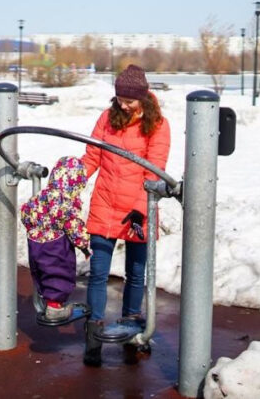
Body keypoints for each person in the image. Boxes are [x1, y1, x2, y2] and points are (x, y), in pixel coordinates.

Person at [81, 64, 171, 367]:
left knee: (135, 273)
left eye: (129, 101)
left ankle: (132, 328)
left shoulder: (158, 125)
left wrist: (142, 210)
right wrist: (72, 181)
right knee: (98, 272)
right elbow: (93, 156)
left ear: (143, 98)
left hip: (137, 208)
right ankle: (93, 336)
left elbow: (154, 169)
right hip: (105, 203)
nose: (123, 104)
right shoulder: (107, 118)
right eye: (119, 99)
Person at [20, 156, 91, 321]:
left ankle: (49, 302)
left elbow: (25, 212)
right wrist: (83, 245)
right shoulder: (67, 202)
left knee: (43, 271)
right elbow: (74, 226)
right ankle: (55, 308)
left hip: (35, 242)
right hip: (56, 243)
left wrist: (35, 229)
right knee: (60, 271)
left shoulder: (41, 196)